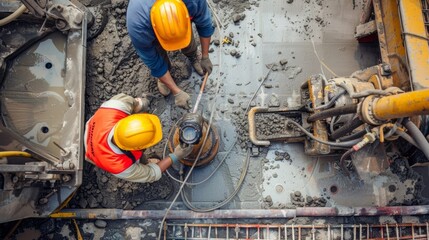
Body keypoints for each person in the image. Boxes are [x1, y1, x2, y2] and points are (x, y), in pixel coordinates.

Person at [84, 93, 193, 183]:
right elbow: (152, 174)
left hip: (93, 127)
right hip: (92, 154)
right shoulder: (121, 167)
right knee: (144, 169)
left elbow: (133, 102)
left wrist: (142, 103)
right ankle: (144, 163)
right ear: (139, 148)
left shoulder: (115, 106)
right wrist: (176, 156)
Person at [126, 0, 214, 109]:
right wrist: (176, 92)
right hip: (149, 27)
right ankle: (164, 74)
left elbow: (205, 24)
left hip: (181, 18)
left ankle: (192, 54)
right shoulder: (138, 24)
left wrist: (205, 57)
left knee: (184, 35)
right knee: (158, 52)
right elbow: (152, 60)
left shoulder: (193, 2)